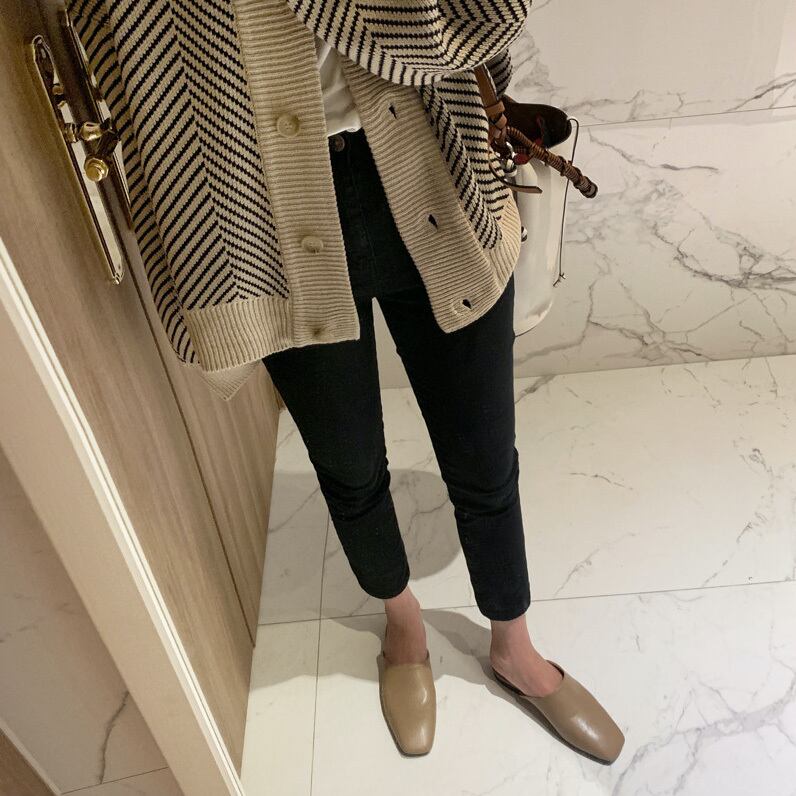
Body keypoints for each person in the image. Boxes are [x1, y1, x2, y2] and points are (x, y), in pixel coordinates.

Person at [70, 0, 623, 763]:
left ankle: (515, 646)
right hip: (254, 209)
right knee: (348, 460)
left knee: (484, 450)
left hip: (428, 162)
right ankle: (403, 627)